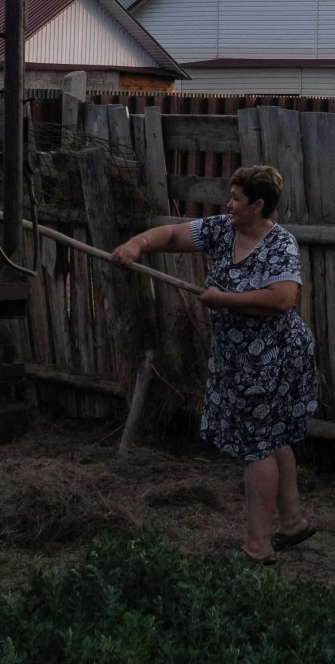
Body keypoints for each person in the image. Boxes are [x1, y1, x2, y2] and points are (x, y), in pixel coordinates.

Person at [114, 165, 318, 564]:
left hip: (273, 356)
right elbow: (173, 234)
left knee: (257, 446)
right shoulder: (224, 229)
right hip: (237, 355)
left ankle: (257, 546)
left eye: (236, 199)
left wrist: (223, 300)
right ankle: (292, 523)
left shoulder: (281, 245)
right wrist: (137, 244)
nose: (228, 205)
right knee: (272, 438)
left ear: (258, 205)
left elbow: (282, 299)